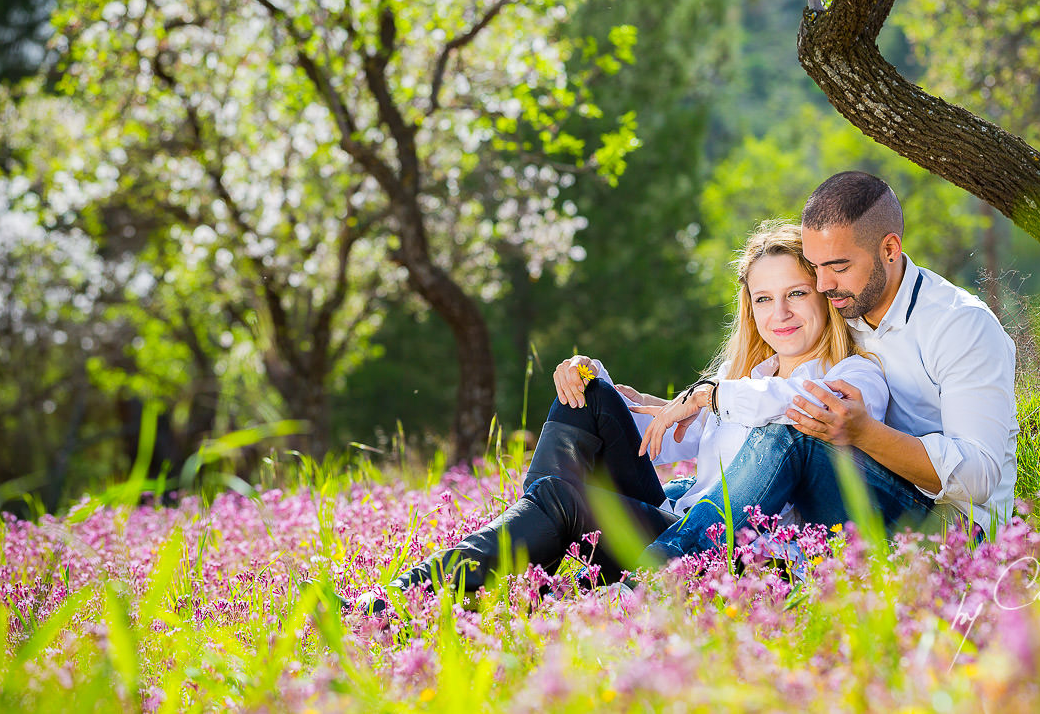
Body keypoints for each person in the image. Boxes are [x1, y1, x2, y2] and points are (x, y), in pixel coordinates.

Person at [348, 221, 887, 608]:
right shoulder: (747, 376)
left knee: (556, 499)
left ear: (822, 295)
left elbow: (807, 412)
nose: (780, 313)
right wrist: (595, 379)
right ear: (749, 308)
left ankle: (408, 598)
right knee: (587, 393)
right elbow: (663, 440)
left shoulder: (855, 375)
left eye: (795, 293)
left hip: (728, 556)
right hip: (673, 526)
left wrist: (713, 395)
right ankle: (506, 579)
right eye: (764, 299)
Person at [644, 172, 1017, 557]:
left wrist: (864, 433)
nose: (822, 285)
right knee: (689, 489)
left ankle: (657, 577)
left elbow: (979, 477)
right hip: (860, 490)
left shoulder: (960, 324)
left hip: (951, 531)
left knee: (797, 429)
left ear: (890, 249)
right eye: (815, 267)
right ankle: (608, 563)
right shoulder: (848, 307)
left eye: (837, 266)